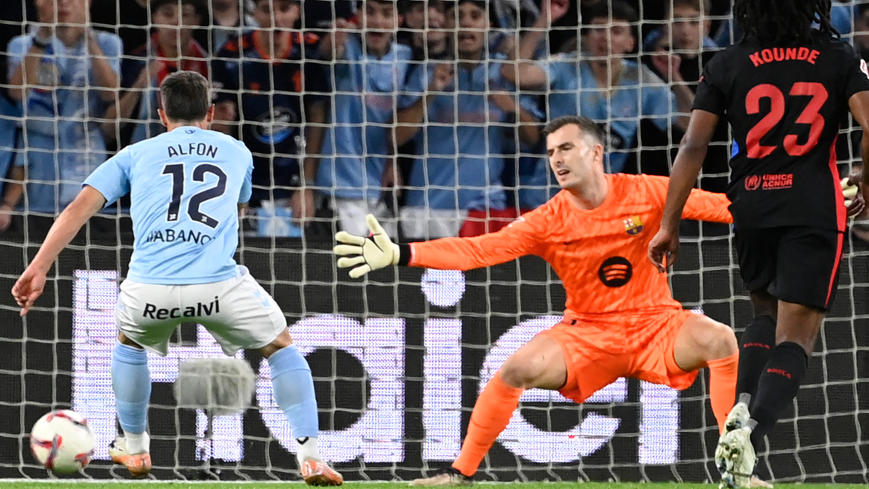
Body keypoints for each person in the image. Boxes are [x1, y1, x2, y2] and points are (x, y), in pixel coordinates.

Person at [334, 115, 740, 486]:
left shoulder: (649, 191)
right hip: (588, 335)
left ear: (596, 152)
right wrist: (403, 253)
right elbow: (478, 251)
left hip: (656, 324)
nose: (556, 160)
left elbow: (725, 208)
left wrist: (788, 205)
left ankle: (736, 471)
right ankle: (459, 474)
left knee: (720, 340)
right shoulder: (547, 219)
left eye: (565, 148)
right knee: (515, 370)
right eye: (550, 153)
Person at [10, 71, 343, 486]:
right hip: (218, 285)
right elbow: (237, 206)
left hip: (150, 289)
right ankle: (310, 455)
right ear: (209, 113)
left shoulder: (134, 153)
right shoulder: (237, 151)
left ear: (161, 114)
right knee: (280, 348)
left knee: (129, 341)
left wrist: (38, 266)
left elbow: (79, 208)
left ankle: (134, 448)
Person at [648, 0, 869, 487]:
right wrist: (865, 178)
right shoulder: (836, 55)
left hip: (750, 207)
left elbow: (693, 146)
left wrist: (669, 224)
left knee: (763, 318)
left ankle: (738, 411)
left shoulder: (726, 61)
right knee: (797, 337)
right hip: (812, 209)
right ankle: (749, 433)